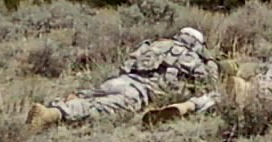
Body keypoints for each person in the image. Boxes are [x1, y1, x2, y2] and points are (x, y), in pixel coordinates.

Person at [27, 26, 221, 130]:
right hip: (140, 92)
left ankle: (57, 103)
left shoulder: (154, 44)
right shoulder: (193, 58)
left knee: (91, 95)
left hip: (120, 81)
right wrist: (210, 60)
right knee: (99, 107)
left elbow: (127, 64)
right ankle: (53, 114)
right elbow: (209, 83)